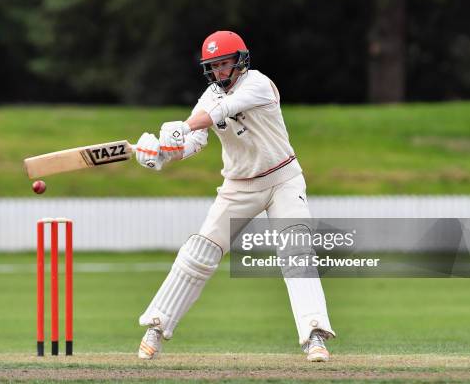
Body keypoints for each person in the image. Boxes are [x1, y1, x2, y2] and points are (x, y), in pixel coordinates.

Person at [134, 31, 335, 362]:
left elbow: (219, 112)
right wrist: (162, 153)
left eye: (224, 64)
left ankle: (314, 335)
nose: (218, 72)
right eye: (212, 66)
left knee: (296, 251)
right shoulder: (210, 95)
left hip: (282, 179)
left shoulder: (257, 84)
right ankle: (156, 327)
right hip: (238, 186)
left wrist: (179, 127)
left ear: (240, 61)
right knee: (199, 252)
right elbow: (194, 141)